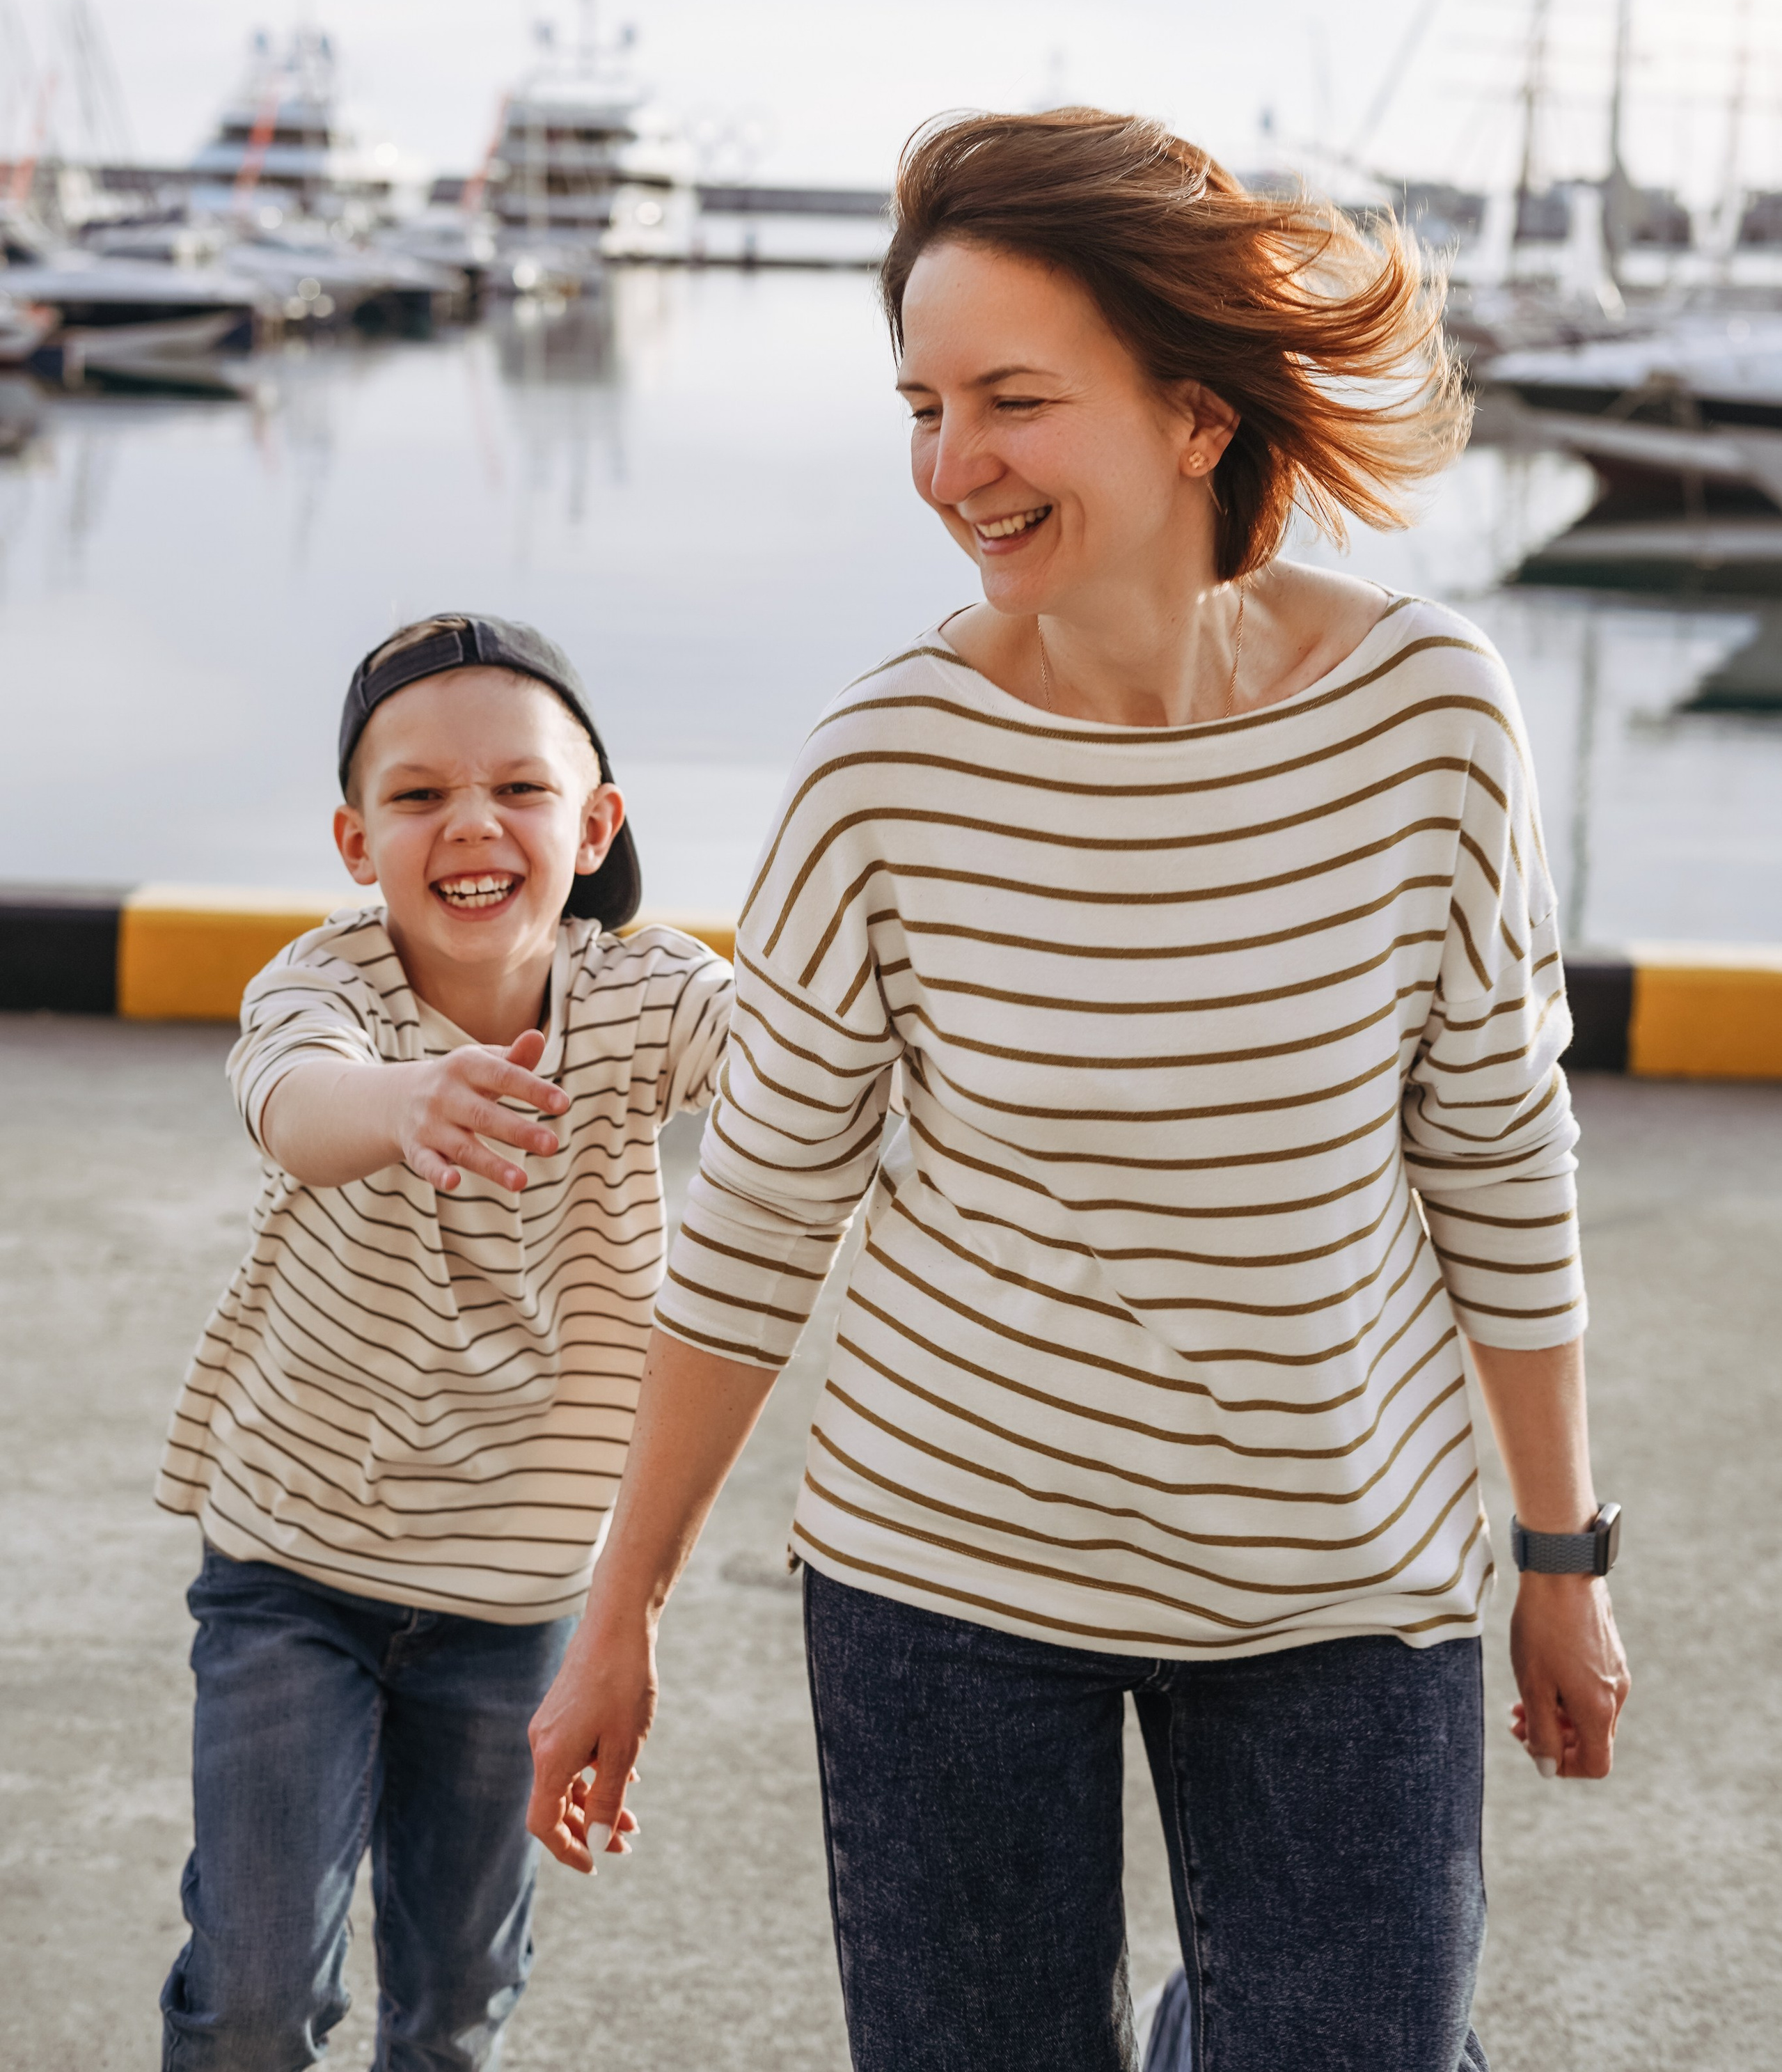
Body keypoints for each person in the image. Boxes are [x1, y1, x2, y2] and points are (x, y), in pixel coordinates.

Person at [526, 113, 1631, 2072]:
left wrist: (1558, 1556)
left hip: (1340, 1579)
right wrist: (622, 1610)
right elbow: (759, 1221)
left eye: (1015, 400)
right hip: (944, 1575)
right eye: (925, 406)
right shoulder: (883, 768)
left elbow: (1494, 1153)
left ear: (1196, 416)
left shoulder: (1430, 715)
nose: (957, 467)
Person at [155, 613, 730, 2071]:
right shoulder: (325, 989)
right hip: (293, 1570)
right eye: (418, 796)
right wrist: (407, 1107)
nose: (470, 823)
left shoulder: (645, 999)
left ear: (594, 823)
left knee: (457, 1996)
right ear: (357, 840)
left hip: (518, 1598)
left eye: (518, 790)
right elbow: (293, 1098)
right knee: (254, 1996)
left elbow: (801, 1059)